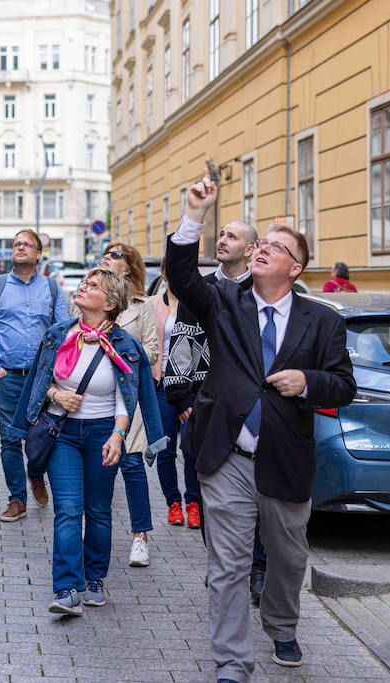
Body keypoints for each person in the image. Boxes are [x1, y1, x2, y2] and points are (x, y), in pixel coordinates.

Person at [169, 167, 356, 682]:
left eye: (276, 246)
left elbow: (344, 385)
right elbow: (181, 276)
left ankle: (281, 624)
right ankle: (232, 662)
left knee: (288, 558)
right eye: (262, 243)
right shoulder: (223, 301)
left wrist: (308, 381)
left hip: (285, 457)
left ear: (295, 268)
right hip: (227, 454)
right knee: (227, 565)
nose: (262, 249)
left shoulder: (324, 320)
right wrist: (194, 215)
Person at [9, 268, 166, 615]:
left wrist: (118, 436)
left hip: (103, 433)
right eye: (85, 282)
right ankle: (67, 588)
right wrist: (57, 395)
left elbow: (127, 398)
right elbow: (38, 383)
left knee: (97, 510)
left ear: (110, 303)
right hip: (61, 433)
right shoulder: (57, 335)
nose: (83, 287)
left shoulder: (126, 345)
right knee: (68, 509)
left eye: (93, 286)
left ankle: (94, 578)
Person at [163, 218, 264, 602]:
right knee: (209, 491)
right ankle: (221, 560)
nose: (222, 240)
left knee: (258, 493)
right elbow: (183, 340)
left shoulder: (263, 290)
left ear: (250, 249)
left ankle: (257, 568)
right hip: (208, 404)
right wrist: (184, 398)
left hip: (254, 410)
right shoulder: (203, 288)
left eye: (231, 236)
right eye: (220, 234)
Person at [0, 230, 70, 521]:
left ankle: (36, 474)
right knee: (9, 439)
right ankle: (17, 499)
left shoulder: (52, 288)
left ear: (38, 253)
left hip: (43, 379)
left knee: (44, 434)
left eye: (26, 244)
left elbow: (63, 332)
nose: (20, 247)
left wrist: (57, 375)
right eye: (16, 244)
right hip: (7, 377)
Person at [99, 241, 159, 567]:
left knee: (132, 465)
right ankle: (97, 534)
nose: (107, 257)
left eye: (115, 254)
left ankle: (140, 537)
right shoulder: (91, 295)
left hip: (128, 394)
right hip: (94, 395)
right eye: (106, 253)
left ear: (129, 266)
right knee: (98, 467)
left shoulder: (142, 305)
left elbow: (152, 351)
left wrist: (120, 349)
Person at [150, 259, 199, 528]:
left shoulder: (199, 304)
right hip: (162, 386)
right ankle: (173, 504)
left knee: (192, 449)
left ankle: (193, 503)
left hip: (192, 388)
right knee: (165, 449)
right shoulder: (153, 304)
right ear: (164, 273)